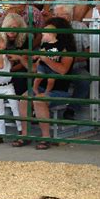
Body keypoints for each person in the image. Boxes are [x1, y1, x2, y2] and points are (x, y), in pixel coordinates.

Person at [14, 17, 76, 150]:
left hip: (59, 90)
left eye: (47, 32)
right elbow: (35, 69)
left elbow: (63, 70)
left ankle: (45, 137)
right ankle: (25, 135)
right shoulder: (45, 46)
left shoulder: (67, 48)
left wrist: (46, 59)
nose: (44, 34)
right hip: (41, 87)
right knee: (24, 99)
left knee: (38, 101)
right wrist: (21, 58)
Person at [53, 5, 90, 120]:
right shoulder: (51, 28)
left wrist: (71, 59)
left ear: (69, 16)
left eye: (60, 15)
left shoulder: (80, 27)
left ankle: (72, 109)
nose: (57, 18)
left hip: (76, 66)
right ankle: (39, 107)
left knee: (85, 79)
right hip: (55, 66)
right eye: (56, 15)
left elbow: (88, 51)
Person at [0, 33, 22, 144]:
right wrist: (1, 55)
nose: (4, 43)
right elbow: (0, 66)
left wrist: (8, 57)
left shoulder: (5, 55)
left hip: (8, 85)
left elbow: (8, 65)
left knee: (15, 107)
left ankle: (21, 131)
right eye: (2, 41)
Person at [33, 25, 60, 96]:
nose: (42, 37)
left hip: (52, 66)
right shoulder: (45, 44)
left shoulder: (59, 45)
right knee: (39, 77)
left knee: (51, 80)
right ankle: (35, 88)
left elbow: (61, 53)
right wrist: (37, 56)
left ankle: (47, 92)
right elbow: (41, 52)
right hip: (43, 65)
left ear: (50, 34)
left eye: (44, 35)